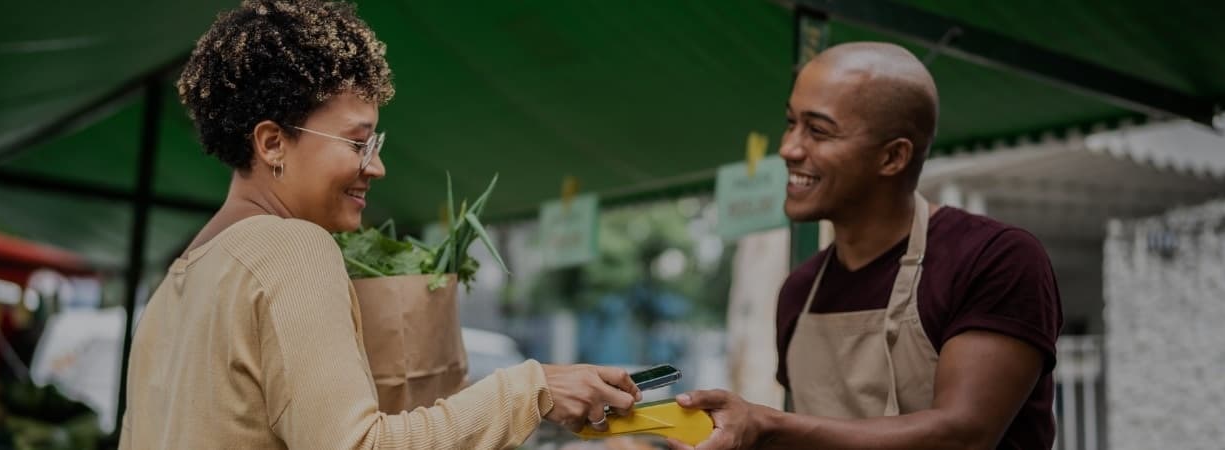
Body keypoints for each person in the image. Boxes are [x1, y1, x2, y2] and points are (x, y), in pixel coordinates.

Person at [119, 2, 639, 448]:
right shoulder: (290, 248)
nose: (376, 167)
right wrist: (532, 389)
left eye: (377, 145)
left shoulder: (174, 288)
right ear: (272, 143)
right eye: (357, 143)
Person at [670, 42, 1062, 449]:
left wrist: (767, 424)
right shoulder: (799, 292)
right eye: (791, 123)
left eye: (818, 131)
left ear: (893, 157)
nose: (788, 148)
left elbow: (962, 436)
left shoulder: (994, 259)